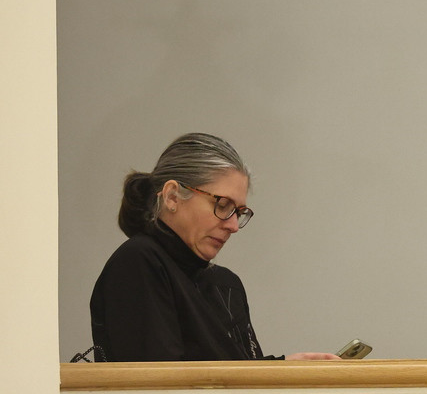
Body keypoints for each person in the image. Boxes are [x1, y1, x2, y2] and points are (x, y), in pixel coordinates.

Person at [90, 132, 341, 362]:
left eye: (239, 212)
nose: (233, 226)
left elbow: (238, 379)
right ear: (172, 197)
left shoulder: (226, 284)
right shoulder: (139, 261)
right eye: (222, 205)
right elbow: (161, 383)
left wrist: (286, 369)